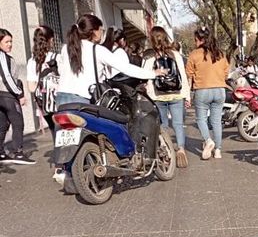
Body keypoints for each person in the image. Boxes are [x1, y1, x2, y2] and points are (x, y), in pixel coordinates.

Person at [56, 14, 162, 105]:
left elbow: (61, 70)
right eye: (101, 30)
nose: (102, 33)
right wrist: (153, 73)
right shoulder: (97, 50)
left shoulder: (66, 48)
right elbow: (126, 68)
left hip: (61, 97)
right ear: (94, 31)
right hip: (83, 98)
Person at [143, 26, 191, 168]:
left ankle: (166, 150)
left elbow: (145, 76)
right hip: (176, 94)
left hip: (157, 96)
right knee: (178, 124)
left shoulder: (149, 56)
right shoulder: (175, 54)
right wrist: (187, 96)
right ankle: (181, 149)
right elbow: (182, 75)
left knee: (163, 125)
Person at [185, 26, 229, 160]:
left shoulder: (194, 54)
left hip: (202, 90)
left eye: (195, 40)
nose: (194, 43)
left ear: (199, 39)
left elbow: (189, 76)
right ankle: (218, 151)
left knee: (201, 119)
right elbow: (226, 73)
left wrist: (188, 95)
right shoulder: (220, 54)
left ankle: (208, 140)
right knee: (216, 121)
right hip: (220, 90)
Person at [27, 25, 61, 172]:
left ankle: (59, 166)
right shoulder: (57, 58)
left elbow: (31, 88)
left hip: (45, 105)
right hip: (60, 102)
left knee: (55, 132)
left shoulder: (31, 62)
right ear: (50, 40)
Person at [0, 28, 35, 165]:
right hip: (7, 95)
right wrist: (19, 94)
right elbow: (7, 78)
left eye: (11, 42)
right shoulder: (2, 57)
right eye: (6, 41)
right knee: (18, 122)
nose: (10, 44)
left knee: (2, 125)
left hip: (2, 96)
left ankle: (1, 153)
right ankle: (18, 153)